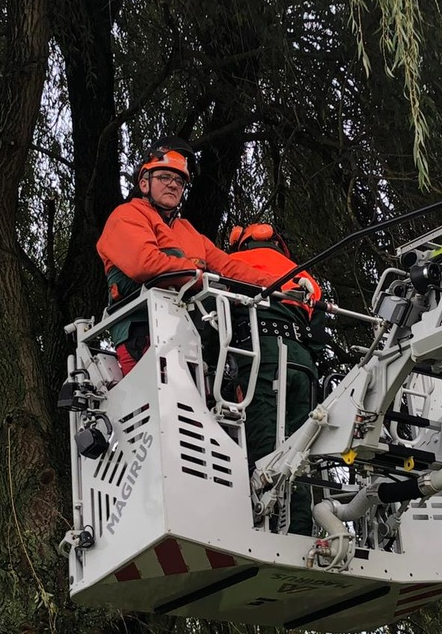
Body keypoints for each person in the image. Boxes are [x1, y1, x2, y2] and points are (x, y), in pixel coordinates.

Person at [96, 137, 274, 375]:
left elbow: (231, 269)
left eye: (179, 181)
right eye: (164, 177)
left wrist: (281, 285)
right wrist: (201, 278)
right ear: (145, 183)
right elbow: (145, 264)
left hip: (192, 335)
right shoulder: (127, 215)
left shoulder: (189, 233)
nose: (173, 185)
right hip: (143, 330)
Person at [227, 223, 325, 535]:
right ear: (279, 244)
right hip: (302, 365)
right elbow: (320, 337)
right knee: (299, 451)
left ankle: (263, 527)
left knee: (265, 444)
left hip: (262, 355)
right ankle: (299, 531)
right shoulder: (303, 275)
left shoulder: (233, 265)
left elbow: (218, 318)